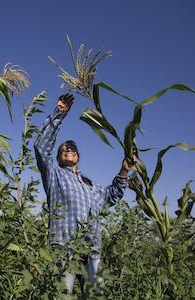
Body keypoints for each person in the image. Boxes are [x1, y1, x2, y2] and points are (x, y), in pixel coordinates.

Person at [34, 93, 135, 293]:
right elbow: (41, 148)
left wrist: (124, 170)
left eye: (71, 148)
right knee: (63, 294)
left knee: (95, 295)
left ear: (78, 156)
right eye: (63, 149)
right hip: (65, 245)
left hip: (91, 248)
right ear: (59, 157)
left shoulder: (89, 185)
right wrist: (59, 113)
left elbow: (111, 196)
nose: (67, 149)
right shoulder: (54, 175)